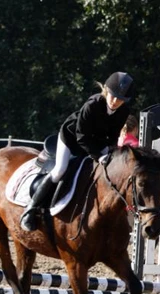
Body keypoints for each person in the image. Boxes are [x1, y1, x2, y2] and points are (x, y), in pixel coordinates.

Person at [20, 71, 134, 231]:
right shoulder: (92, 104)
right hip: (72, 139)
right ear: (107, 91)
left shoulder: (123, 112)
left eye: (120, 99)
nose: (115, 101)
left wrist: (111, 153)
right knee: (60, 170)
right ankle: (30, 210)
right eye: (113, 96)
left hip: (95, 142)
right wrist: (99, 156)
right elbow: (82, 136)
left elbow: (113, 136)